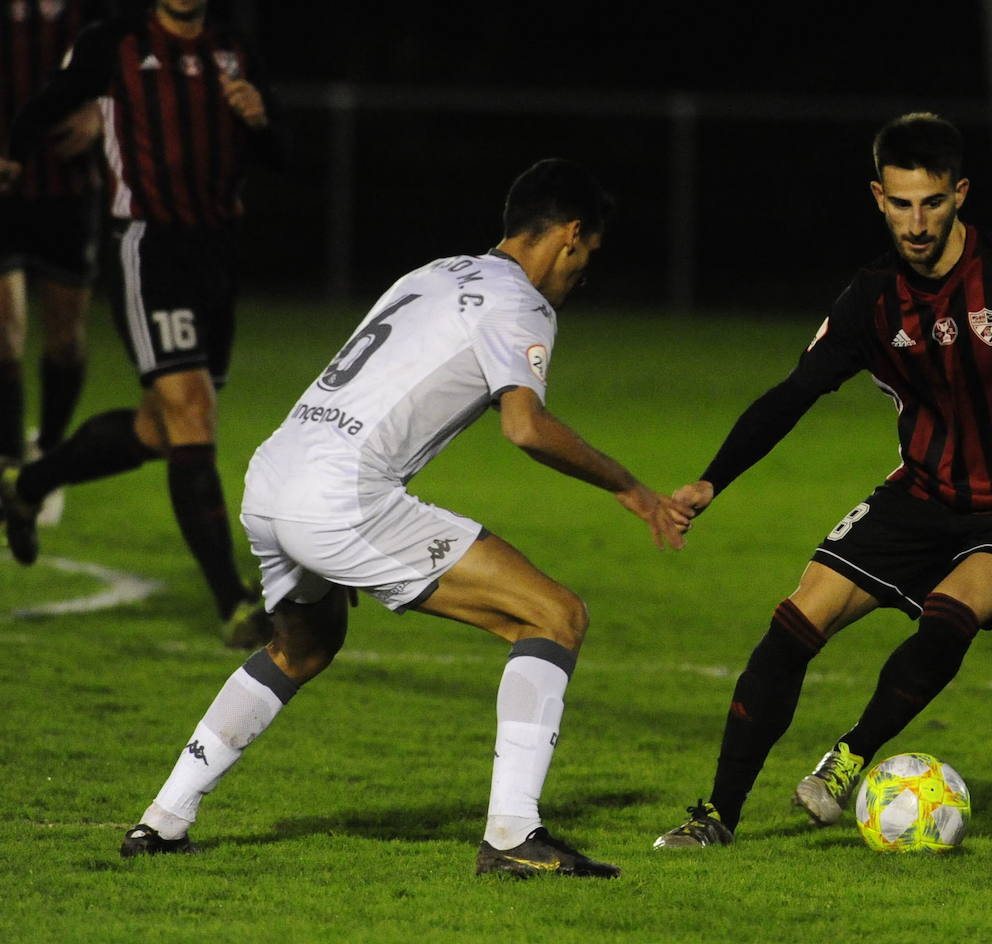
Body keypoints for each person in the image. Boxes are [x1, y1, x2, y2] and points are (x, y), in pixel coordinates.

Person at [118, 158, 693, 879]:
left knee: (303, 647)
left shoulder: (437, 271)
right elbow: (525, 426)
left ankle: (161, 824)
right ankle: (514, 836)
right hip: (340, 496)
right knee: (554, 616)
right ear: (570, 235)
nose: (583, 276)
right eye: (589, 256)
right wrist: (633, 489)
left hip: (274, 474)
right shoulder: (521, 302)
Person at [653, 113, 992, 849]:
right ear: (878, 196)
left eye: (933, 202)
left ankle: (848, 758)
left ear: (960, 194)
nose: (916, 221)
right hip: (924, 488)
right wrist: (712, 481)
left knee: (948, 616)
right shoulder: (871, 299)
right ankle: (715, 815)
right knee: (791, 628)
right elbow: (794, 393)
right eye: (901, 203)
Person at [0, 0, 285, 647]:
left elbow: (279, 156)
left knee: (158, 429)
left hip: (216, 257)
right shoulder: (114, 43)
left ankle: (29, 484)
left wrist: (261, 123)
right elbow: (42, 106)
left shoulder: (233, 50)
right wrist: (17, 156)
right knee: (191, 415)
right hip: (150, 250)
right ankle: (234, 604)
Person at [0, 0, 107, 519]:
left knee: (64, 341)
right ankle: (10, 465)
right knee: (5, 332)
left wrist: (100, 112)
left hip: (68, 187)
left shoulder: (95, 12)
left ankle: (49, 451)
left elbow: (135, 66)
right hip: (4, 185)